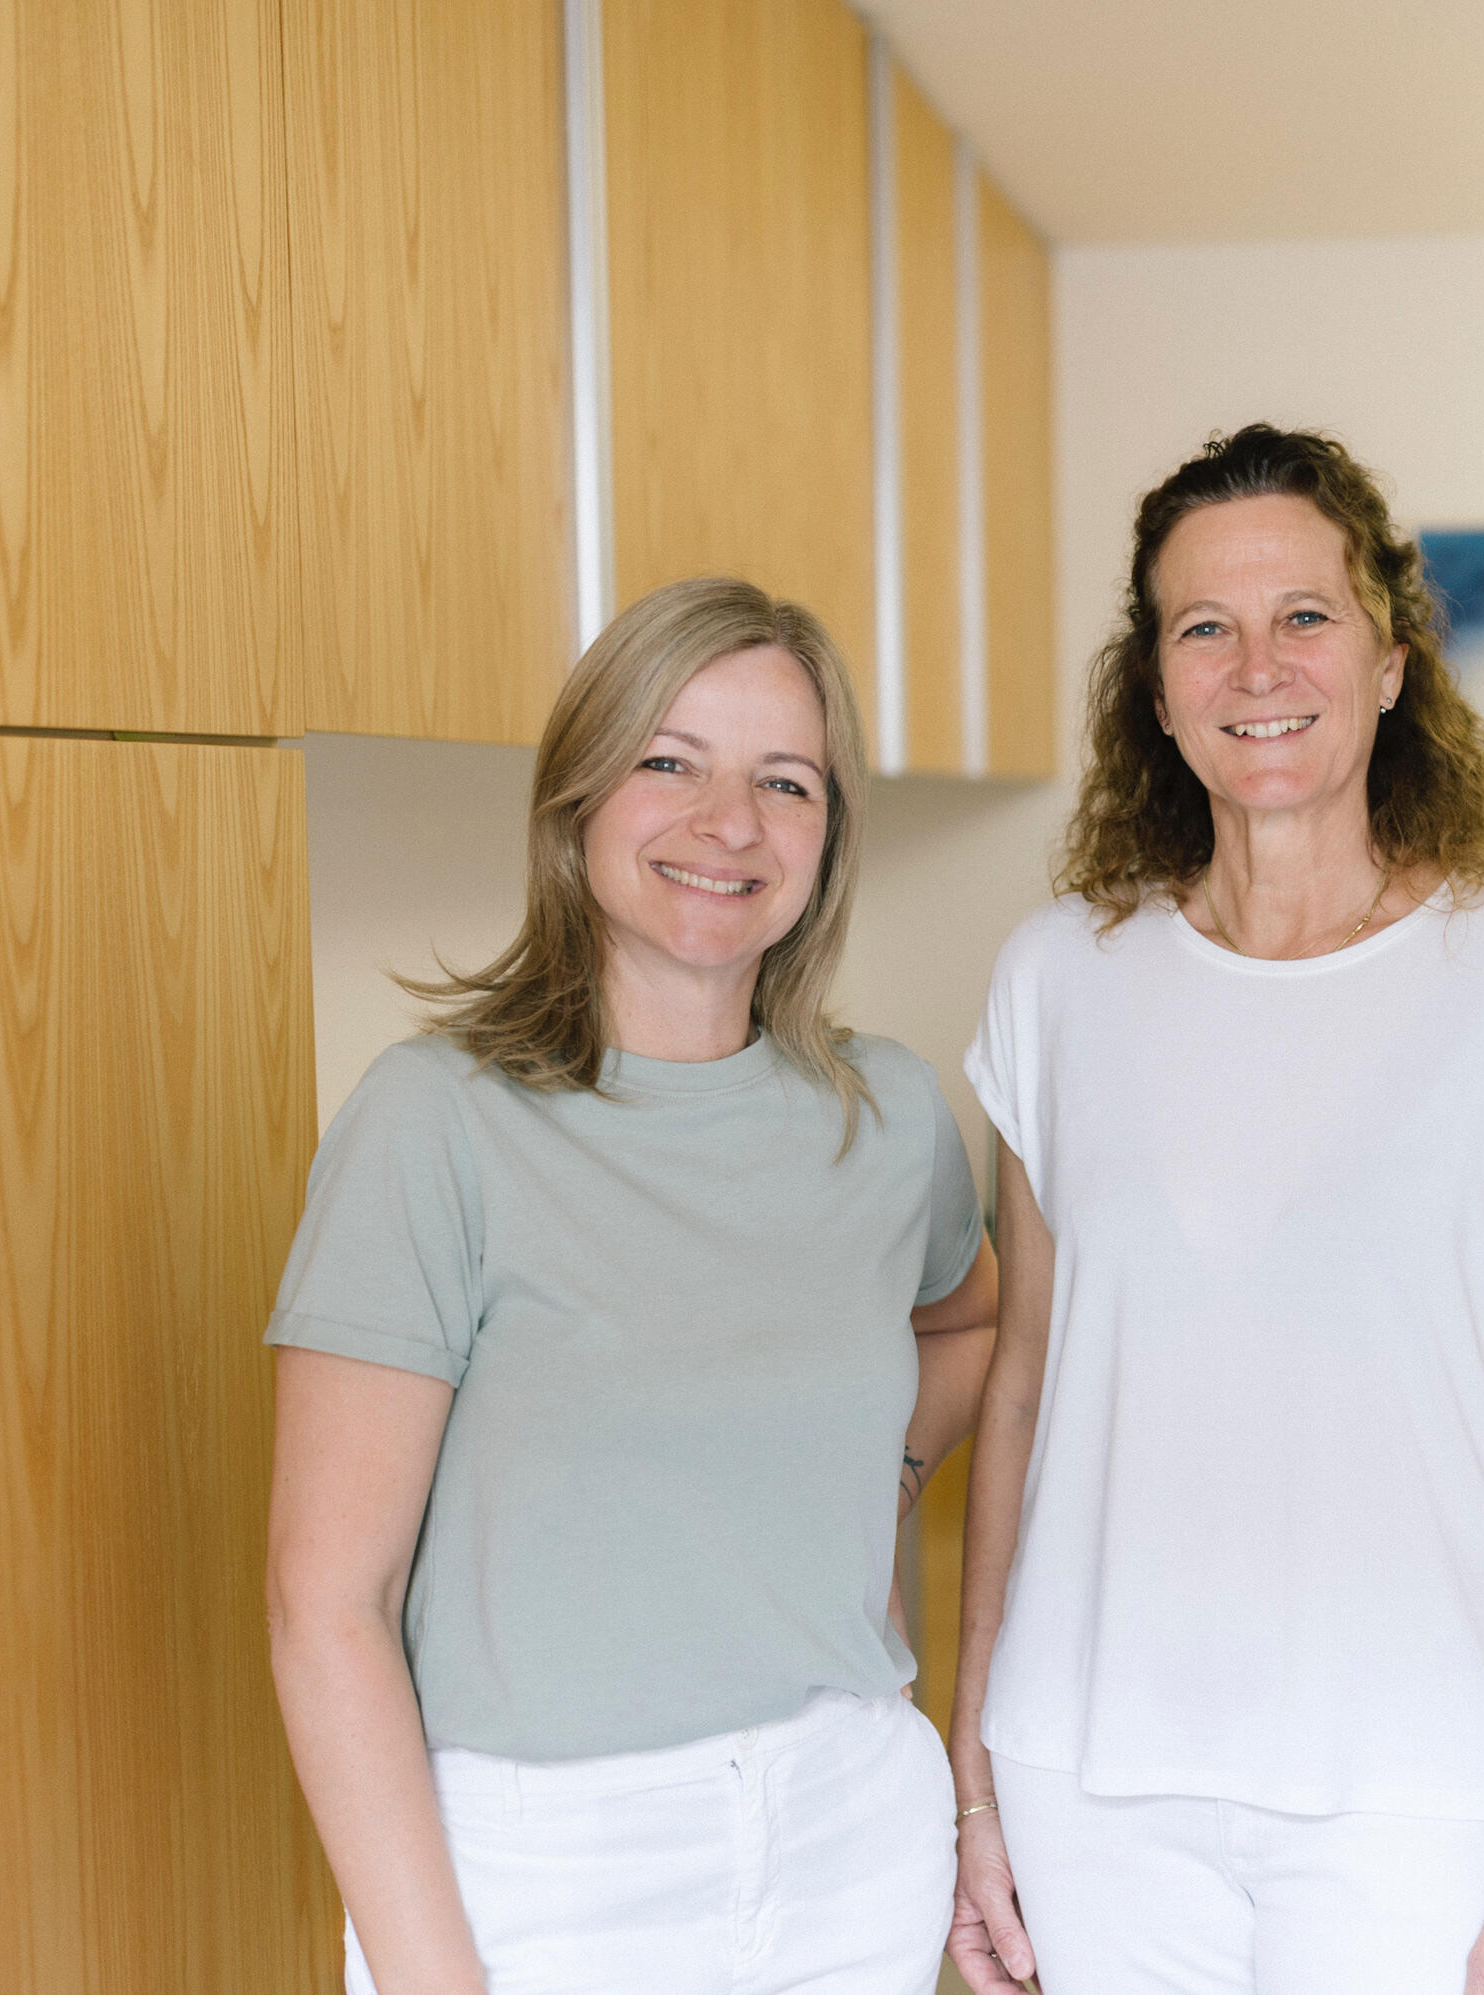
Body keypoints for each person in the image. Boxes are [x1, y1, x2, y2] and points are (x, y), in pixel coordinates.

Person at [945, 425, 1484, 1995]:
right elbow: (1024, 1388)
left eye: (1305, 616)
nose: (1257, 666)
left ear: (1391, 660)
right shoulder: (1059, 979)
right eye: (1204, 626)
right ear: (1155, 688)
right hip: (1094, 1788)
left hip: (1427, 1794)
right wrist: (976, 1781)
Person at [263, 578, 997, 1995]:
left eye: (785, 782)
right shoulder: (435, 1124)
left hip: (850, 1832)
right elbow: (326, 1606)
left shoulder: (888, 1117)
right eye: (671, 761)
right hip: (544, 1867)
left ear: (829, 834)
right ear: (578, 798)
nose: (730, 823)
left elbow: (972, 1319)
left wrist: (882, 1479)